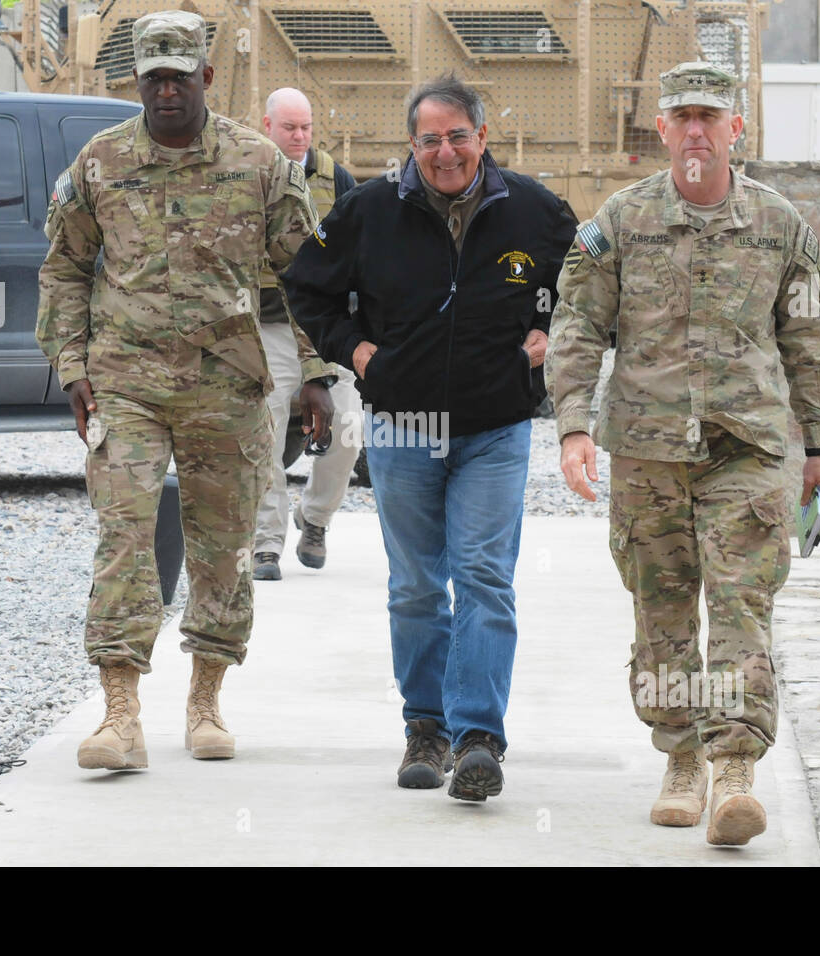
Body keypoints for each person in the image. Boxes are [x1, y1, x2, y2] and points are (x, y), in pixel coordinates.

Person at [545, 62, 820, 844]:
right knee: (663, 611)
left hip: (744, 448)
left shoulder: (782, 227)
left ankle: (736, 770)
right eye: (681, 117)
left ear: (735, 130)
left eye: (710, 117)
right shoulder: (621, 220)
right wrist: (575, 426)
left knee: (743, 600)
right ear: (662, 130)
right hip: (646, 451)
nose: (696, 131)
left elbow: (808, 341)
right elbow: (577, 325)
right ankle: (681, 757)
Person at [36, 10, 322, 769]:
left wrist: (318, 373)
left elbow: (309, 275)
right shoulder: (99, 164)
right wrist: (73, 366)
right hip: (124, 386)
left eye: (178, 77)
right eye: (152, 78)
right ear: (139, 81)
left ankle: (205, 700)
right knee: (125, 538)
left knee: (221, 550)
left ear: (205, 78)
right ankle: (120, 715)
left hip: (225, 387)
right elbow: (64, 267)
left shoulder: (260, 163)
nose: (165, 92)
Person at [283, 74, 576, 801]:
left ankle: (479, 737)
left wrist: (551, 332)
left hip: (494, 429)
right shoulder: (369, 210)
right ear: (410, 146)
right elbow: (305, 283)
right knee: (416, 586)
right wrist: (352, 351)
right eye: (429, 140)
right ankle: (426, 729)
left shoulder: (537, 213)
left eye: (457, 137)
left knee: (482, 577)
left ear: (483, 138)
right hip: (403, 429)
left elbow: (591, 287)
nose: (444, 153)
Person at [253, 87, 362, 581]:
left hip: (326, 325)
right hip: (271, 322)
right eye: (289, 128)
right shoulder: (248, 173)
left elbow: (362, 246)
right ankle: (266, 542)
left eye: (306, 128)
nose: (299, 137)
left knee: (349, 431)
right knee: (267, 427)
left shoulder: (334, 178)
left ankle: (314, 520)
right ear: (267, 125)